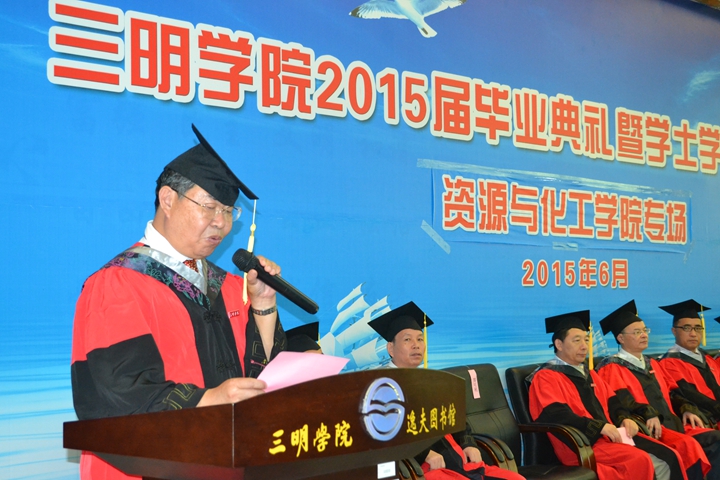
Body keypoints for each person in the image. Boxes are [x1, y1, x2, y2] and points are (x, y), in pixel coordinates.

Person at [71, 125, 286, 480]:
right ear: (168, 200)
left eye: (229, 211)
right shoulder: (118, 283)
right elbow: (118, 393)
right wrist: (208, 400)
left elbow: (261, 381)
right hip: (146, 469)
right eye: (210, 207)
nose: (222, 223)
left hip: (223, 464)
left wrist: (263, 305)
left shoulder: (231, 286)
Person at [368, 302, 525, 480]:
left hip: (456, 461)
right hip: (421, 469)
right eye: (407, 340)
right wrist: (424, 453)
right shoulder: (381, 386)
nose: (416, 345)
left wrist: (468, 443)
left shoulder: (432, 380)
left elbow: (455, 418)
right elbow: (384, 434)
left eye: (420, 339)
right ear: (390, 348)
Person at [527, 310, 685, 480]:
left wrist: (624, 418)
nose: (584, 346)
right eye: (577, 340)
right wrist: (599, 427)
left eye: (586, 340)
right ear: (559, 344)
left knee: (668, 455)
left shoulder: (590, 374)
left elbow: (613, 403)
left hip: (609, 437)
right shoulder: (546, 376)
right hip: (580, 446)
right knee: (643, 460)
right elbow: (556, 415)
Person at [597, 300, 717, 480]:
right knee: (688, 446)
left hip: (672, 425)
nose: (644, 335)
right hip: (646, 430)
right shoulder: (612, 367)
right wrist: (648, 412)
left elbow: (672, 392)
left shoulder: (652, 363)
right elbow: (620, 401)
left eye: (645, 330)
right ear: (621, 338)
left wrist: (686, 408)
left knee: (705, 441)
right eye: (637, 332)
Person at [658, 300, 720, 427]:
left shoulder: (709, 359)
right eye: (686, 328)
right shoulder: (669, 363)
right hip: (701, 421)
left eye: (698, 328)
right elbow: (688, 395)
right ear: (674, 331)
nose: (693, 334)